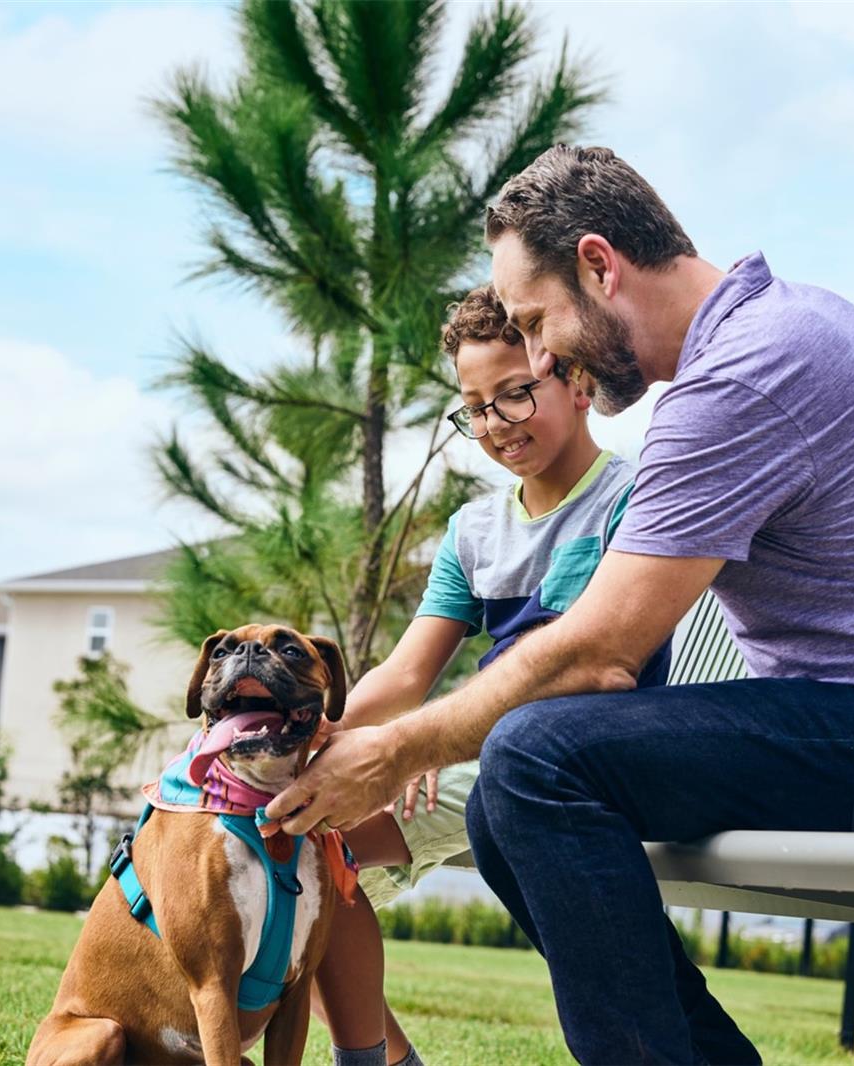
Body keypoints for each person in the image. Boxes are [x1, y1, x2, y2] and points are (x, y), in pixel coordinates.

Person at [269, 145, 854, 1065]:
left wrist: (394, 750)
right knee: (502, 801)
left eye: (536, 320)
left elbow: (596, 654)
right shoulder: (766, 339)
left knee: (532, 760)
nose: (541, 352)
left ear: (600, 265)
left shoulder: (750, 371)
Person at [312, 283, 671, 1066]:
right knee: (303, 852)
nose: (495, 426)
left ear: (577, 382)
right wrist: (325, 739)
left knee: (310, 854)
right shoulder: (475, 530)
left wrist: (419, 748)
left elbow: (599, 665)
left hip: (574, 757)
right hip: (477, 747)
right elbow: (408, 675)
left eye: (516, 395)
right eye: (475, 408)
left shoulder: (630, 499)